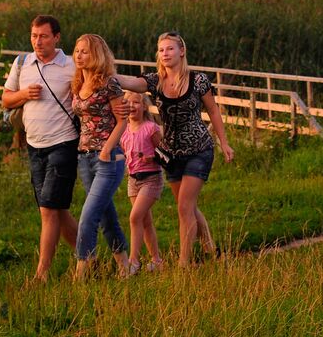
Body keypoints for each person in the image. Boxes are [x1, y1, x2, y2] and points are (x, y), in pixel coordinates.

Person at [114, 32, 233, 267]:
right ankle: (211, 248)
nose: (165, 53)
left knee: (184, 206)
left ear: (182, 51)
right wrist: (107, 74)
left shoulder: (198, 80)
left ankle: (183, 263)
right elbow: (130, 83)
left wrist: (224, 141)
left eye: (169, 49)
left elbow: (214, 110)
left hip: (199, 149)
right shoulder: (155, 81)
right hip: (172, 155)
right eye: (161, 50)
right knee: (187, 205)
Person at [1, 14, 79, 283]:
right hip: (34, 146)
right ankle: (88, 256)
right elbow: (6, 100)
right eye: (34, 36)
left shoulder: (71, 65)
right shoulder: (22, 63)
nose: (38, 41)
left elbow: (92, 90)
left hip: (64, 143)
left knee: (48, 209)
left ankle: (41, 274)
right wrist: (24, 95)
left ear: (57, 37)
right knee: (57, 210)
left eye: (43, 36)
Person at [69, 34, 130, 279]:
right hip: (83, 158)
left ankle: (81, 273)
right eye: (77, 51)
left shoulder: (108, 84)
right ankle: (125, 269)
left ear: (97, 54)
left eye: (85, 51)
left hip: (108, 158)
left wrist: (107, 149)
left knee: (88, 216)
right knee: (106, 216)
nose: (79, 55)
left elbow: (122, 120)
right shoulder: (76, 84)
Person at [119, 91, 165, 274]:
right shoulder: (123, 130)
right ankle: (157, 260)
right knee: (145, 221)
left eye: (136, 102)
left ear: (144, 106)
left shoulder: (151, 128)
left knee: (134, 217)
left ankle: (133, 261)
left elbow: (164, 153)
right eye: (127, 103)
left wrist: (150, 156)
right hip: (133, 179)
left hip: (151, 178)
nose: (132, 106)